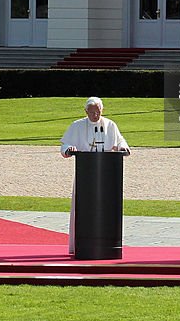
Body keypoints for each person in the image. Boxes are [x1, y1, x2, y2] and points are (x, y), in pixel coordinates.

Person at [60, 97, 130, 254]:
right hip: (86, 175)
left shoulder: (110, 125)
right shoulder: (77, 126)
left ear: (102, 110)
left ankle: (108, 245)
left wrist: (123, 148)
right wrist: (69, 149)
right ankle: (81, 244)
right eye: (91, 112)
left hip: (108, 176)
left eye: (97, 112)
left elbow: (121, 141)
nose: (95, 115)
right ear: (85, 112)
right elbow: (64, 145)